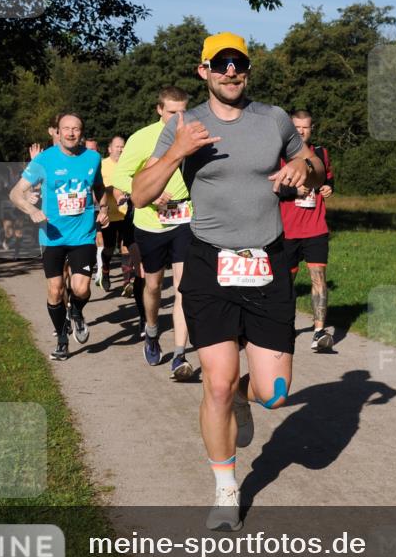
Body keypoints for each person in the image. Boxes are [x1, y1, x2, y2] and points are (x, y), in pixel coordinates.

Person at [131, 32, 325, 530]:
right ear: (204, 71)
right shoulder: (183, 124)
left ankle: (244, 395)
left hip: (266, 262)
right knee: (214, 385)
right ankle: (225, 488)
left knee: (275, 392)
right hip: (209, 262)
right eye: (221, 64)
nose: (230, 72)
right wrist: (176, 153)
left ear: (248, 69)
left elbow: (315, 166)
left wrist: (302, 165)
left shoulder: (274, 119)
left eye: (238, 63)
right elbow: (140, 194)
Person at [9, 113, 108, 360]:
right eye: (66, 128)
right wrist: (31, 210)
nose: (71, 133)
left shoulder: (93, 158)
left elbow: (98, 186)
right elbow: (15, 193)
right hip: (52, 235)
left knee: (81, 289)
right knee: (55, 290)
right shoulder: (44, 160)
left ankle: (76, 311)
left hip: (83, 234)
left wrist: (104, 208)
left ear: (81, 132)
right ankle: (62, 339)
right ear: (57, 132)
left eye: (76, 129)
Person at [113, 88, 194, 380]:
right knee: (154, 285)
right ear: (160, 110)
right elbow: (120, 177)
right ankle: (151, 330)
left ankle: (180, 355)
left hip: (185, 218)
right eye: (172, 112)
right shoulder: (142, 138)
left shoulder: (194, 134)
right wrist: (150, 192)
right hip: (150, 223)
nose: (178, 117)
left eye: (183, 111)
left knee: (184, 288)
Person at [278, 110, 335, 351]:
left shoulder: (320, 154)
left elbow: (328, 179)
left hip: (315, 227)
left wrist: (328, 188)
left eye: (306, 127)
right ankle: (285, 326)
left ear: (312, 129)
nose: (301, 131)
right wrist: (293, 191)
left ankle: (319, 332)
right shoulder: (279, 154)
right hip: (287, 230)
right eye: (297, 127)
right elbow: (268, 188)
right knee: (286, 283)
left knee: (318, 278)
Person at [98, 135, 137, 293]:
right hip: (108, 214)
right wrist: (113, 190)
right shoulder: (102, 165)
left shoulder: (130, 165)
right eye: (117, 146)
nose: (120, 149)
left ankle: (127, 283)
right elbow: (98, 188)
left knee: (126, 246)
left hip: (126, 213)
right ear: (109, 149)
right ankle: (105, 271)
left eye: (123, 146)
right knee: (108, 248)